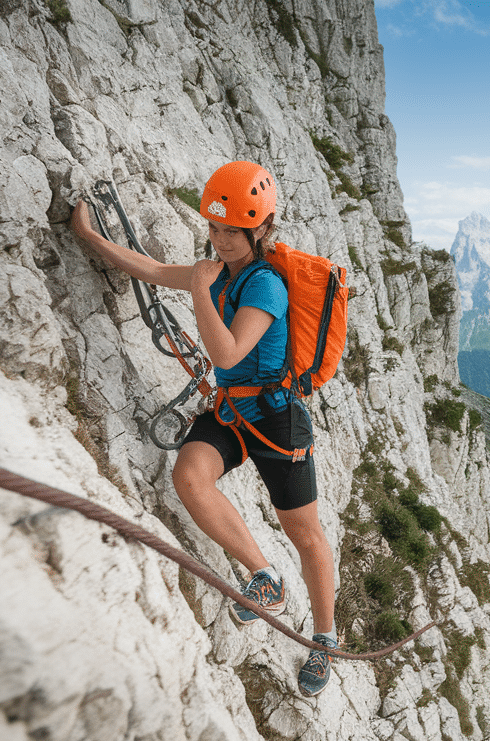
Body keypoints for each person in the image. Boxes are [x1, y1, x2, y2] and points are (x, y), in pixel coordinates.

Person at [70, 161, 339, 697]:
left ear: (260, 230)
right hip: (233, 412)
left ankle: (325, 638)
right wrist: (87, 234)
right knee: (190, 477)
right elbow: (146, 269)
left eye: (230, 232)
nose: (218, 240)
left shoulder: (265, 287)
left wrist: (197, 287)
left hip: (277, 420)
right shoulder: (217, 271)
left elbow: (228, 350)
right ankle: (265, 580)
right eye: (213, 228)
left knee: (305, 533)